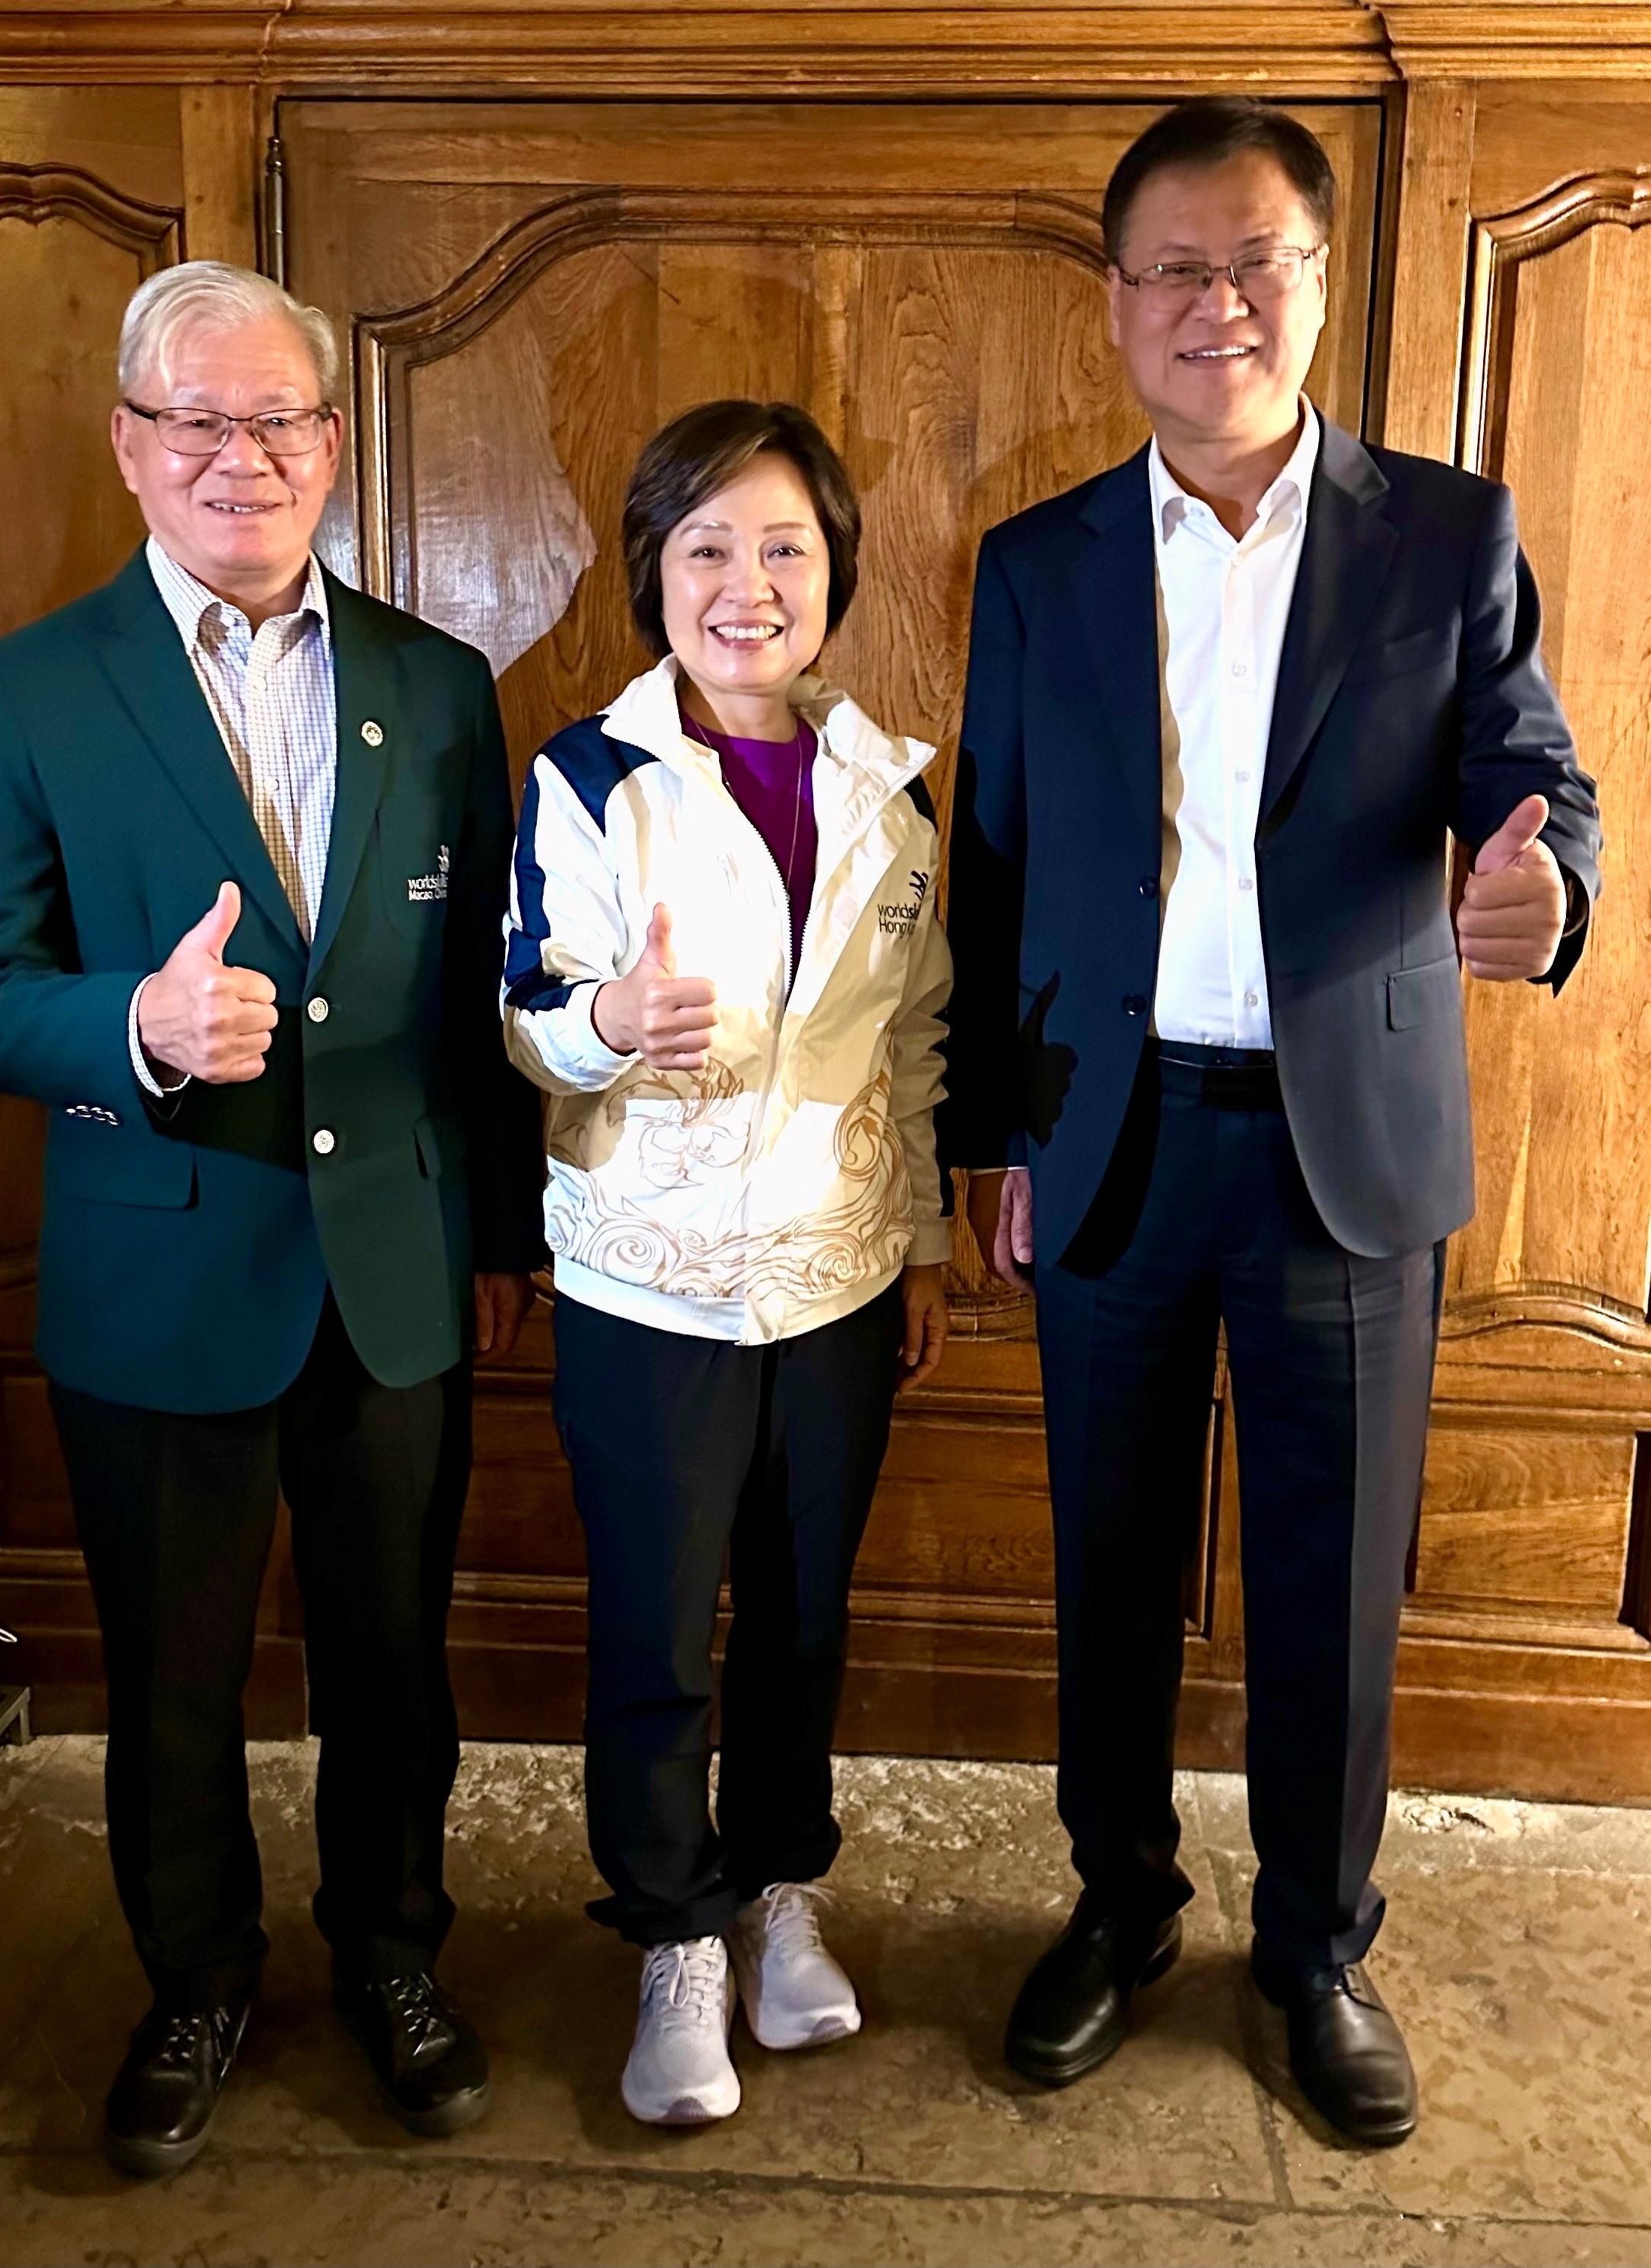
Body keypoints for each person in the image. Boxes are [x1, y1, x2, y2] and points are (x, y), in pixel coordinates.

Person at [944, 99, 1601, 2147]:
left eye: (1255, 263)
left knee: (1327, 1583)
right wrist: (989, 1132)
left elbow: (1531, 778)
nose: (1214, 302)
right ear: (1116, 304)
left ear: (1316, 285)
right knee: (1107, 1555)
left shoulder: (1445, 533)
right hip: (1111, 1141)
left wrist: (1542, 881)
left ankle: (1313, 1945)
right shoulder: (1037, 560)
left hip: (1346, 1149)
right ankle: (1119, 1903)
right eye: (1173, 267)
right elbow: (993, 866)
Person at [0, 261, 546, 2175]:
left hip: (392, 1285)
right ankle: (192, 1980)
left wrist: (506, 1240)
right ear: (129, 447)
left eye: (279, 417)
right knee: (177, 1689)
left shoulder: (442, 689)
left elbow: (476, 1000)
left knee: (393, 1674)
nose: (240, 455)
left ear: (334, 449)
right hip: (159, 1279)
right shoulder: (28, 688)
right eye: (195, 420)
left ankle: (391, 1958)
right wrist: (128, 1021)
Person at [501, 398, 952, 2126]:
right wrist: (606, 1021)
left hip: (834, 1284)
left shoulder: (893, 790)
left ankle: (779, 1895)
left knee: (802, 1620)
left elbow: (913, 1041)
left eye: (782, 547)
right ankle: (669, 1934)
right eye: (705, 546)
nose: (745, 583)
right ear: (651, 576)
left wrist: (912, 1240)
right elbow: (526, 1015)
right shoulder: (587, 776)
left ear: (831, 575)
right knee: (654, 1635)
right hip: (647, 1284)